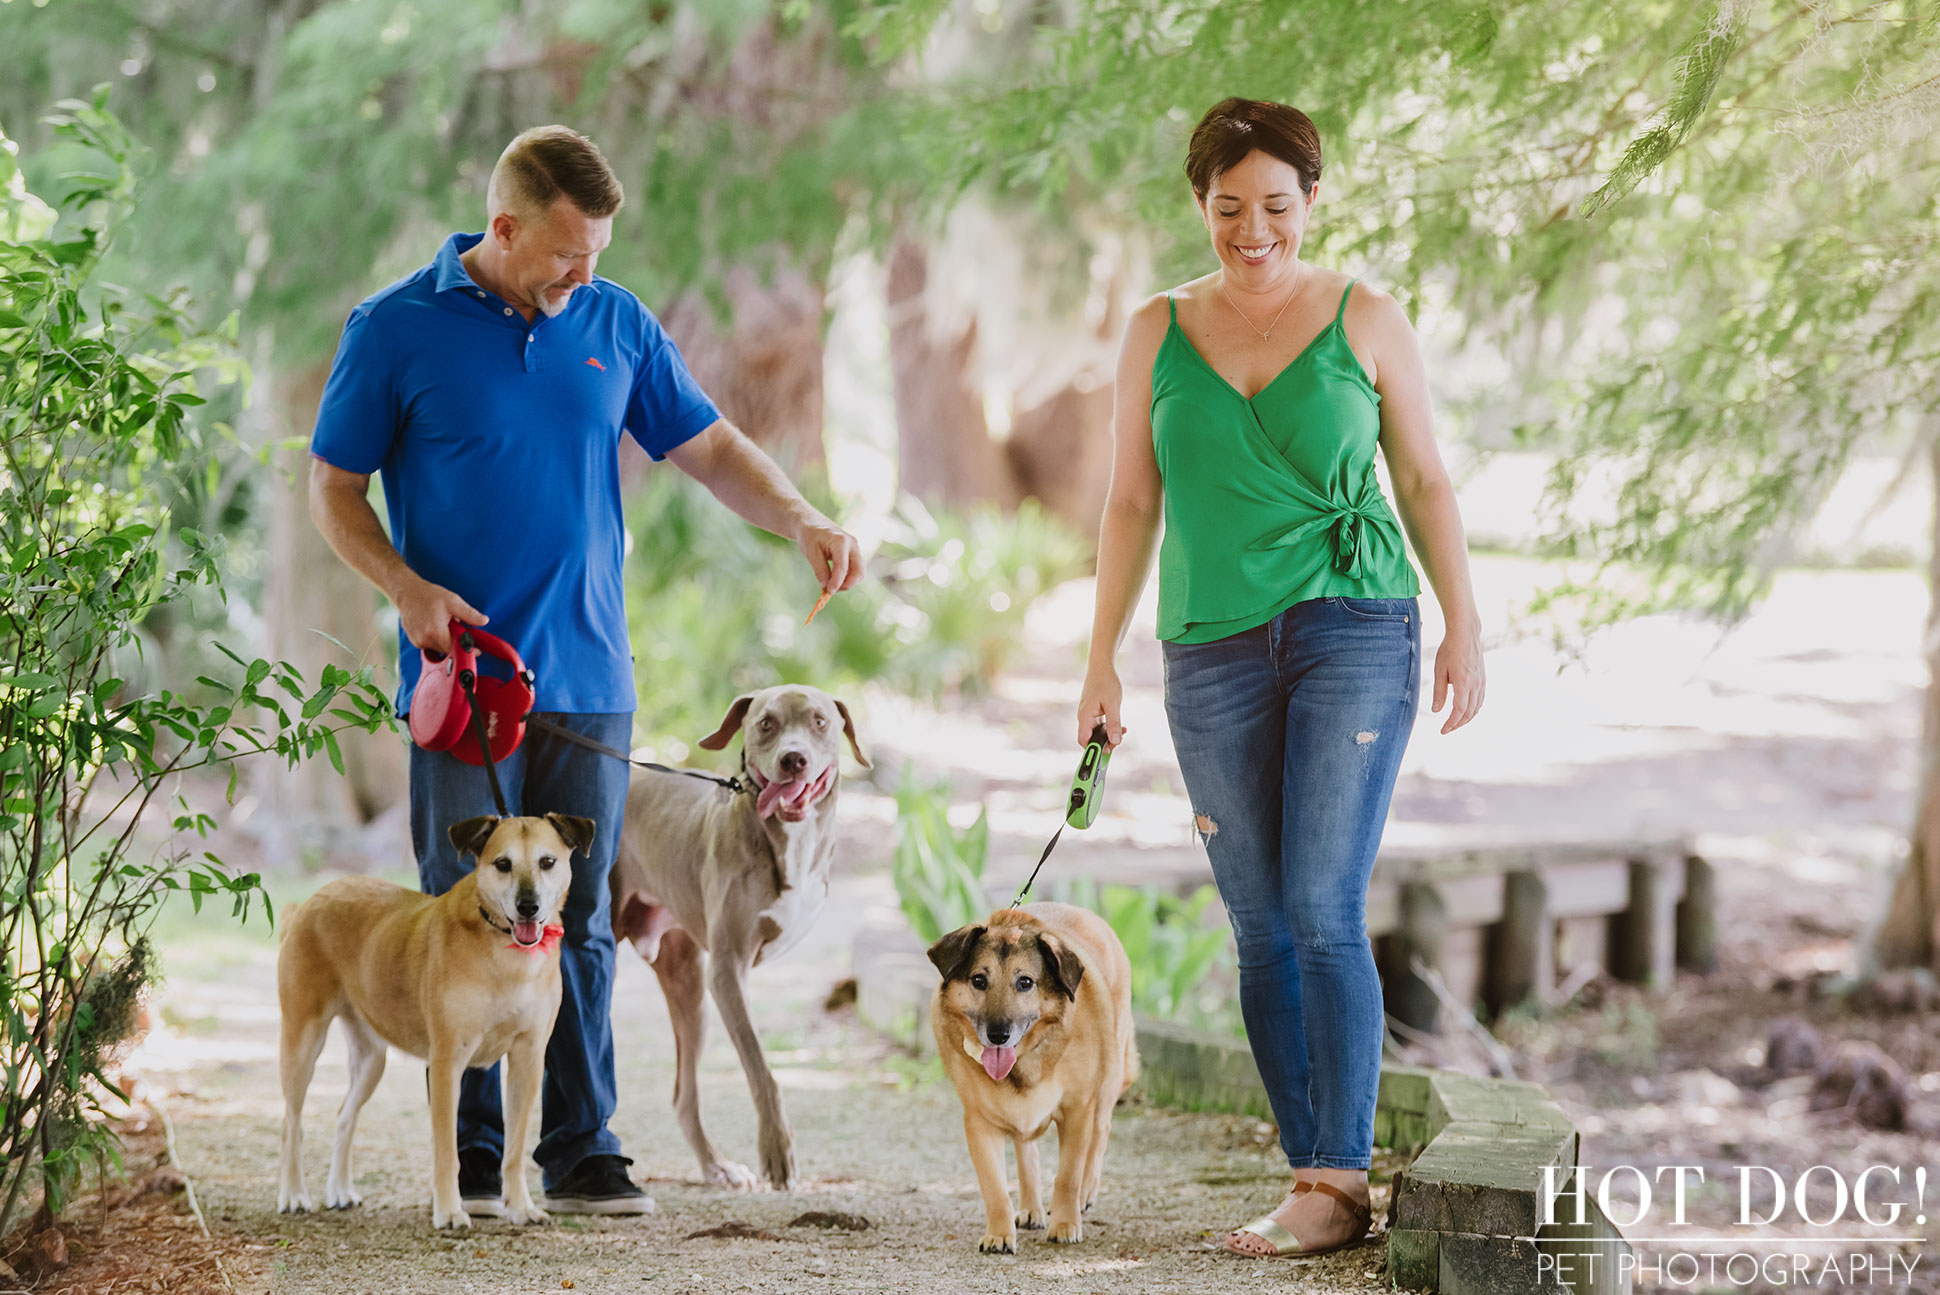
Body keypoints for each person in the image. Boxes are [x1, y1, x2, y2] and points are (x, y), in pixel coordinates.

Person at [308, 125, 861, 1216]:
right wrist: (405, 588)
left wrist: (797, 514)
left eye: (599, 251)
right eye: (567, 252)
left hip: (591, 676)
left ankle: (580, 1144)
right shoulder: (394, 327)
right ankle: (470, 1151)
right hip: (462, 681)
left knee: (585, 919)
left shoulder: (615, 323)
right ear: (503, 226)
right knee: (460, 906)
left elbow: (703, 446)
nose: (586, 273)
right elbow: (333, 490)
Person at [1075, 97, 1485, 1257]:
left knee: (1318, 900)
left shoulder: (1364, 314)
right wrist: (1096, 656)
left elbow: (1425, 479)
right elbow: (1128, 500)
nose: (1251, 231)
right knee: (1258, 919)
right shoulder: (1154, 328)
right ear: (1197, 205)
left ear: (1311, 200)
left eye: (1273, 206)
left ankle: (1332, 1178)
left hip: (1352, 622)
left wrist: (1463, 621)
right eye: (1225, 209)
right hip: (1206, 642)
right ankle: (1314, 1173)